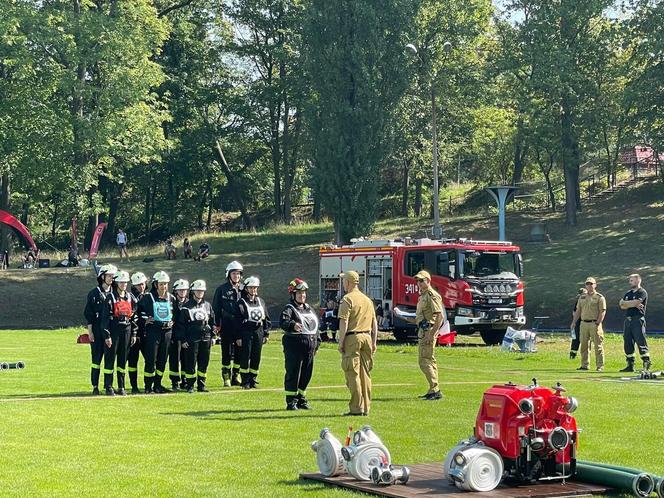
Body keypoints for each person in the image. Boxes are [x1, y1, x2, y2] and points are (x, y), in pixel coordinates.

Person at [395, 271, 445, 400]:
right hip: (423, 330)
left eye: (422, 280)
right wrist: (402, 315)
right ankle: (433, 389)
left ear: (428, 281)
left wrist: (432, 334)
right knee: (429, 360)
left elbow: (440, 316)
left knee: (424, 361)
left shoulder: (431, 295)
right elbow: (419, 318)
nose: (419, 283)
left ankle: (435, 389)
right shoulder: (422, 296)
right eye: (418, 281)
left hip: (428, 331)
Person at [337, 270, 377, 416]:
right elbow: (374, 323)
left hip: (353, 338)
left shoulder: (347, 299)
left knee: (352, 374)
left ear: (348, 282)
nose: (343, 284)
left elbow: (344, 321)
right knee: (365, 374)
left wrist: (341, 342)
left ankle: (356, 408)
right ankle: (366, 407)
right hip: (367, 337)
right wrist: (374, 342)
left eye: (343, 281)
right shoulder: (367, 300)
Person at [279, 278, 320, 410]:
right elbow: (283, 322)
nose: (302, 296)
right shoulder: (289, 309)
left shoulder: (309, 309)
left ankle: (302, 399)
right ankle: (291, 401)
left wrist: (317, 343)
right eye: (299, 293)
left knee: (306, 374)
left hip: (309, 348)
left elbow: (315, 328)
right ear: (293, 295)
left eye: (303, 293)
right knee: (293, 373)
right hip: (294, 347)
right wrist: (293, 325)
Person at [138, 271, 177, 393]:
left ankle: (158, 384)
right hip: (153, 332)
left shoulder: (172, 298)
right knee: (151, 359)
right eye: (161, 284)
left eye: (165, 284)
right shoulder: (147, 298)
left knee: (162, 359)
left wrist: (173, 322)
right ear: (156, 285)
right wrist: (146, 320)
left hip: (167, 332)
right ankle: (148, 386)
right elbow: (138, 313)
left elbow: (177, 314)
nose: (164, 287)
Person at [100, 270, 137, 396]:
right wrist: (107, 335)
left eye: (125, 282)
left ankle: (121, 386)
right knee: (110, 360)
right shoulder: (110, 297)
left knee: (122, 360)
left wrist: (134, 334)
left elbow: (134, 318)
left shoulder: (130, 297)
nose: (123, 285)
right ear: (116, 282)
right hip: (114, 330)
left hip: (126, 330)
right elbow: (104, 318)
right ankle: (108, 386)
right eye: (121, 282)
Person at [83, 264, 117, 395]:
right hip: (97, 330)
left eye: (113, 276)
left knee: (109, 359)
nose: (111, 278)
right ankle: (95, 386)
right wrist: (90, 332)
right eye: (109, 276)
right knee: (96, 360)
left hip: (110, 331)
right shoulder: (93, 294)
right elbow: (89, 315)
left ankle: (109, 386)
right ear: (102, 276)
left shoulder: (115, 293)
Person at [179, 280, 216, 393]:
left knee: (204, 361)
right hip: (192, 338)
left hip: (206, 337)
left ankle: (201, 385)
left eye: (202, 291)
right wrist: (183, 339)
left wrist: (213, 336)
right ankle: (190, 385)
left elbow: (212, 322)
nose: (200, 293)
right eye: (198, 291)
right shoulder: (186, 307)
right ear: (193, 291)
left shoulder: (207, 306)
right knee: (191, 362)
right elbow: (181, 325)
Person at [212, 261, 244, 387]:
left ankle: (236, 375)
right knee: (226, 352)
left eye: (238, 273)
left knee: (239, 351)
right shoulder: (221, 290)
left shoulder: (244, 289)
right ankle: (226, 376)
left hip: (240, 325)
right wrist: (217, 326)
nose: (236, 276)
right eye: (234, 273)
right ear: (229, 274)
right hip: (226, 324)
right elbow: (216, 309)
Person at [236, 276, 270, 389]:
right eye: (251, 288)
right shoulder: (241, 302)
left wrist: (266, 333)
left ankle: (253, 379)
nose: (253, 290)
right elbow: (238, 321)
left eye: (255, 288)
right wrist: (238, 337)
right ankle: (245, 381)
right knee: (245, 356)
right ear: (246, 289)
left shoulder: (261, 302)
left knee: (256, 356)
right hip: (246, 331)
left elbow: (266, 319)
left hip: (258, 331)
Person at [570, 277, 606, 372]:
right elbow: (578, 310)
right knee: (584, 345)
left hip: (594, 323)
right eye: (587, 284)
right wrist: (574, 322)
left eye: (591, 284)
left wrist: (598, 322)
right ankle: (584, 365)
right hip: (583, 323)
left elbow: (602, 311)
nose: (589, 286)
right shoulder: (582, 297)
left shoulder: (599, 297)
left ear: (595, 285)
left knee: (598, 346)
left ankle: (600, 366)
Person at [618, 274, 651, 372]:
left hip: (637, 319)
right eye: (630, 280)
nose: (630, 282)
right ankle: (630, 364)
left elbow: (634, 303)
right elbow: (621, 305)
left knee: (640, 340)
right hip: (628, 320)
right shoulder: (628, 293)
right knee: (627, 342)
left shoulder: (642, 292)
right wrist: (630, 304)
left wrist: (627, 303)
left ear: (638, 281)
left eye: (632, 280)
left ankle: (646, 362)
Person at [127, 272, 148, 394]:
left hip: (146, 334)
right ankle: (134, 386)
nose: (141, 286)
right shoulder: (131, 298)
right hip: (134, 334)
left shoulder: (148, 296)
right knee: (133, 361)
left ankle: (149, 385)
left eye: (143, 284)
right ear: (134, 285)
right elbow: (133, 316)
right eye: (139, 284)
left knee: (149, 360)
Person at [168, 279, 190, 390]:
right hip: (174, 336)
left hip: (186, 336)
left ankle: (185, 380)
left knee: (186, 359)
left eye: (184, 290)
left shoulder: (189, 303)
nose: (182, 292)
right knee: (174, 359)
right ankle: (174, 382)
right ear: (175, 291)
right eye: (180, 290)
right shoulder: (171, 302)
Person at [569, 287, 586, 359]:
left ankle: (585, 356)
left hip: (586, 322)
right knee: (575, 338)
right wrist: (575, 321)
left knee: (585, 339)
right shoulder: (578, 301)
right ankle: (573, 354)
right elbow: (574, 312)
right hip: (578, 322)